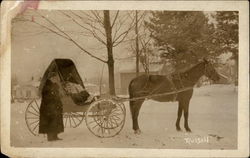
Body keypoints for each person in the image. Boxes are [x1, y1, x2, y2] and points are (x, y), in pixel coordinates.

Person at [39, 72, 64, 141]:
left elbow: (57, 94)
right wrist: (54, 98)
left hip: (55, 106)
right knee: (50, 121)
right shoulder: (47, 85)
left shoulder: (55, 85)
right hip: (48, 107)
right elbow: (46, 97)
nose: (56, 79)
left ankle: (55, 136)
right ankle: (50, 137)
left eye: (56, 78)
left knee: (56, 120)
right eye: (55, 78)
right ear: (51, 78)